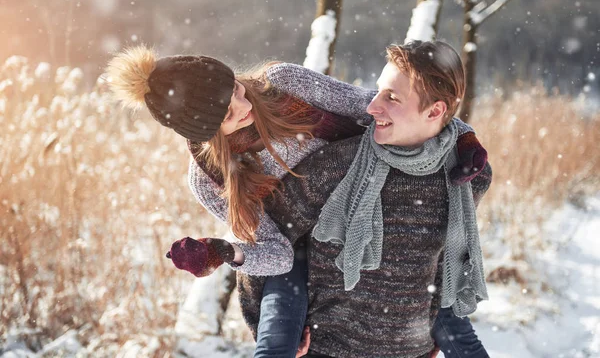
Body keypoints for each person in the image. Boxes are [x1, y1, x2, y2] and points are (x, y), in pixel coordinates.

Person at [107, 43, 489, 358]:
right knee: (277, 336)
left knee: (438, 299)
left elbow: (387, 111)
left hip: (362, 205)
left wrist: (463, 140)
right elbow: (276, 254)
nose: (244, 105)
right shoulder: (210, 178)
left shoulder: (283, 85)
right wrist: (225, 251)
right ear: (203, 131)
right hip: (296, 243)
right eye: (227, 112)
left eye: (236, 88)